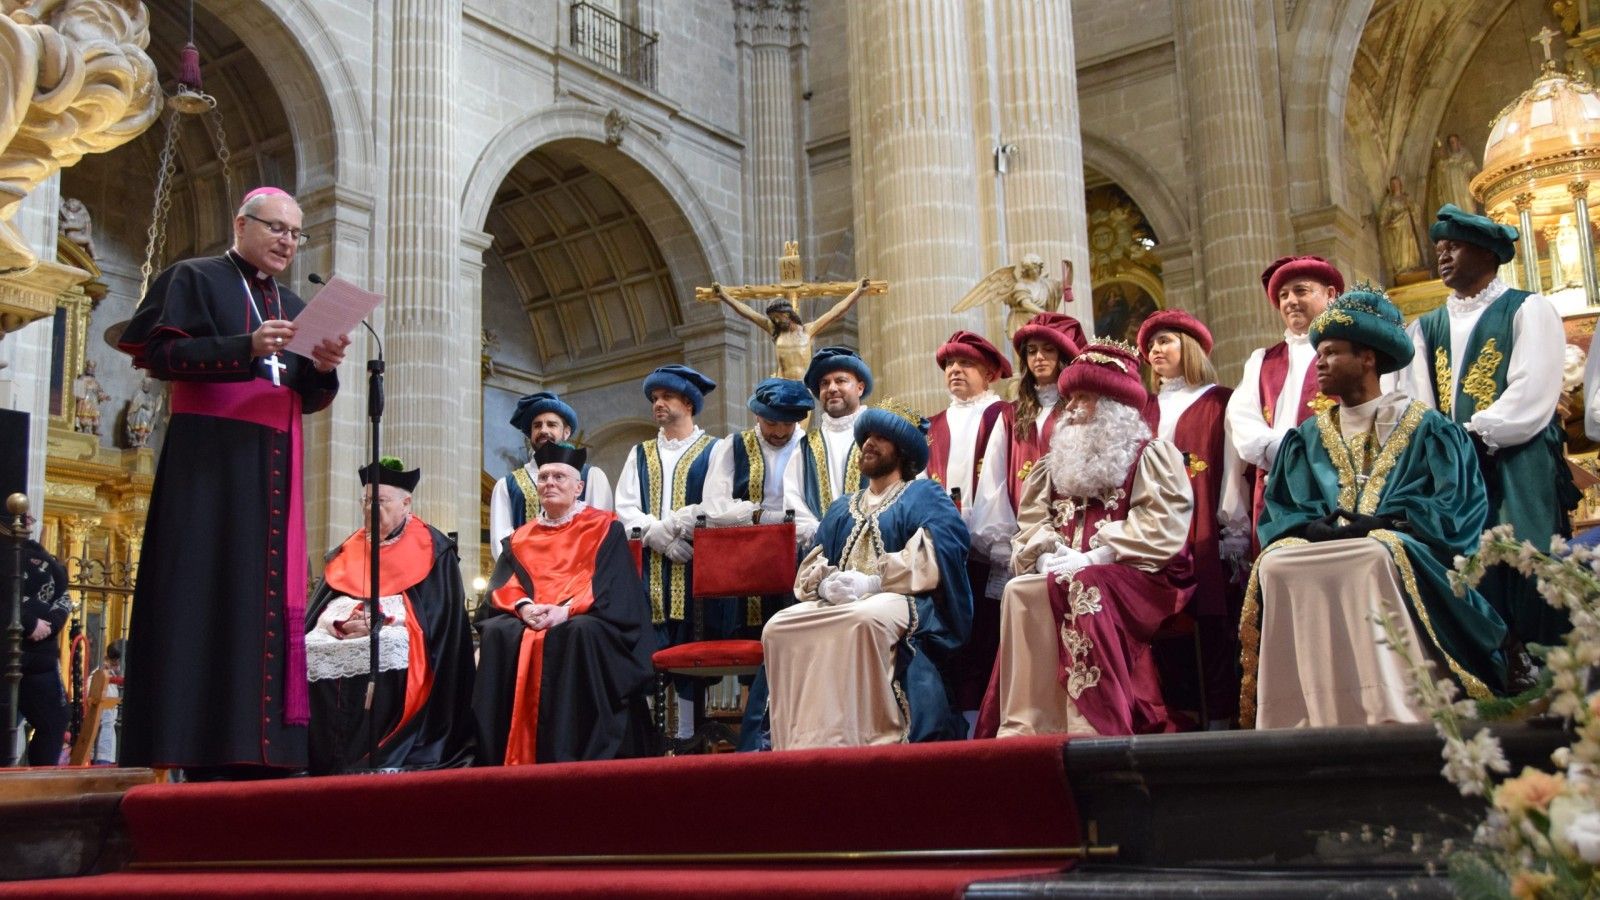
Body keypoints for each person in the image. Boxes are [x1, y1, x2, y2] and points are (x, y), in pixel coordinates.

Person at [116, 186, 351, 777]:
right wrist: (241, 348)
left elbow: (305, 392)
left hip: (274, 463)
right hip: (210, 465)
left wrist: (322, 369)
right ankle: (196, 746)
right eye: (276, 228)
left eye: (295, 234)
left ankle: (265, 749)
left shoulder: (296, 303)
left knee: (264, 598)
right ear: (241, 224)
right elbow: (161, 358)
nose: (287, 242)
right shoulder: (193, 278)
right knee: (206, 592)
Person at [1241, 287, 1508, 728]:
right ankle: (1300, 712)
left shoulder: (1428, 427)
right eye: (1318, 354)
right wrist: (1310, 528)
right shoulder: (1306, 438)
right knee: (1276, 565)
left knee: (1374, 553)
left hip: (1406, 547)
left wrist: (1390, 521)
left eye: (1331, 353)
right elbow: (1284, 507)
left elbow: (1456, 510)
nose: (1319, 363)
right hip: (1330, 544)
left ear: (1367, 358)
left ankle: (1394, 707)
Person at [977, 341, 1195, 739]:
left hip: (1138, 573)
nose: (1071, 407)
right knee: (1021, 590)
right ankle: (1029, 722)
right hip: (1066, 566)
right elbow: (1031, 522)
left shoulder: (1150, 454)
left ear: (1112, 407)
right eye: (1070, 397)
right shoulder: (1054, 462)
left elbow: (1162, 523)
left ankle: (1090, 722)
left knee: (1085, 585)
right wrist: (1043, 553)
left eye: (1084, 397)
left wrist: (1099, 555)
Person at [1398, 204, 1578, 651]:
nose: (1442, 255)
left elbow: (1531, 390)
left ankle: (1546, 665)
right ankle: (1491, 667)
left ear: (1486, 253)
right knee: (1464, 563)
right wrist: (1442, 446)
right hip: (1454, 467)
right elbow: (1417, 398)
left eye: (1453, 246)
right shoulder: (1425, 327)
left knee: (1527, 557)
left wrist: (1475, 433)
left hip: (1519, 457)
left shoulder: (1529, 309)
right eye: (1439, 248)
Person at [761, 401, 972, 749]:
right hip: (841, 602)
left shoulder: (923, 494)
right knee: (778, 626)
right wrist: (826, 582)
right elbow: (815, 561)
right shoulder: (842, 506)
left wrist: (874, 582)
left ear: (902, 451)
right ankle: (798, 737)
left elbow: (939, 551)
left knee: (864, 620)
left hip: (902, 598)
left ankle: (875, 735)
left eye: (881, 437)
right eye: (867, 436)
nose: (869, 443)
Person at [474, 442, 656, 764]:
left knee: (580, 633)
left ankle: (573, 750)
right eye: (543, 477)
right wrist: (524, 607)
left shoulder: (604, 526)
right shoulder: (520, 537)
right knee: (499, 634)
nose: (550, 483)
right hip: (532, 617)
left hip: (583, 616)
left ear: (578, 487)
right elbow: (502, 586)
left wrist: (566, 611)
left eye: (559, 477)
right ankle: (502, 754)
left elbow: (613, 586)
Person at [303, 458, 476, 774]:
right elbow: (328, 599)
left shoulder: (433, 547)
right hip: (346, 628)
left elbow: (437, 616)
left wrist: (382, 620)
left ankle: (384, 749)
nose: (369, 508)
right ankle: (329, 752)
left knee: (391, 645)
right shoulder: (350, 547)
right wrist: (342, 621)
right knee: (310, 647)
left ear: (406, 503)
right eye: (365, 501)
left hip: (402, 634)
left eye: (379, 501)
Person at [1137, 310, 1250, 727]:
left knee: (1210, 623)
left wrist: (1231, 526)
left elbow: (1234, 464)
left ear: (1192, 347)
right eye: (1150, 345)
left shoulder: (1221, 399)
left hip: (1201, 523)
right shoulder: (1142, 408)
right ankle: (1172, 718)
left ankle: (1219, 722)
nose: (1155, 350)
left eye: (1165, 340)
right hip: (1149, 529)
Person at [614, 364, 721, 744]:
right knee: (649, 643)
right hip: (649, 565)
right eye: (654, 398)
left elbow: (715, 504)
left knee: (691, 641)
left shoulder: (715, 449)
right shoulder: (640, 453)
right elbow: (624, 508)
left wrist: (678, 529)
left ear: (688, 403)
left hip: (695, 564)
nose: (658, 404)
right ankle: (654, 736)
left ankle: (691, 732)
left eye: (666, 397)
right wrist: (656, 535)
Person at [924, 330, 1016, 724]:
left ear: (990, 372)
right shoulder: (932, 424)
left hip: (988, 542)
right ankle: (957, 722)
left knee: (989, 637)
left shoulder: (1004, 414)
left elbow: (1005, 479)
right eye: (949, 365)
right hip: (945, 551)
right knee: (952, 640)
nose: (955, 371)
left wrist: (992, 538)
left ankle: (994, 721)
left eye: (966, 364)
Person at [1227, 256, 1344, 536]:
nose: (1290, 300)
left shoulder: (1348, 350)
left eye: (1300, 290)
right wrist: (1277, 449)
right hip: (1274, 482)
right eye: (1283, 295)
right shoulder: (1262, 360)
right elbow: (1240, 417)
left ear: (1330, 294)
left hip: (1333, 480)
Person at [700, 376, 814, 625]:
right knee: (743, 629)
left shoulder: (809, 447)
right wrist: (759, 516)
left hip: (796, 552)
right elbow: (714, 507)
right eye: (771, 422)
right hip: (745, 553)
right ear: (757, 416)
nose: (780, 432)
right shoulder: (735, 445)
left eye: (787, 423)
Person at [488, 391, 613, 560]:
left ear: (567, 432)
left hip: (579, 578)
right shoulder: (507, 486)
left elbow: (600, 534)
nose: (543, 430)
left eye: (552, 425)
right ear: (529, 434)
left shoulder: (591, 477)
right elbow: (500, 544)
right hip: (523, 580)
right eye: (537, 425)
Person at [781, 346, 873, 547]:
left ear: (860, 387)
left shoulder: (879, 435)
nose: (831, 388)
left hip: (875, 548)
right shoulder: (804, 446)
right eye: (824, 383)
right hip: (819, 552)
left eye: (840, 380)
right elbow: (792, 498)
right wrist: (823, 533)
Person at [0, 512, 69, 765]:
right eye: (21, 515)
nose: (29, 520)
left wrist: (49, 626)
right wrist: (29, 623)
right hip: (6, 654)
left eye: (29, 516)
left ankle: (40, 786)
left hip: (41, 658)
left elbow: (63, 599)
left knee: (55, 720)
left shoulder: (45, 559)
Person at [710, 278, 871, 381]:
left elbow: (835, 312)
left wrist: (857, 292)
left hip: (802, 387)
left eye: (777, 317)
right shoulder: (775, 330)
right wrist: (725, 296)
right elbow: (748, 313)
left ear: (787, 314)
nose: (775, 321)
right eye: (773, 318)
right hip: (782, 386)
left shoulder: (807, 331)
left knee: (800, 432)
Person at [1006, 313, 1085, 512]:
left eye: (1048, 349)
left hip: (1068, 512)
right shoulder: (1010, 414)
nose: (1039, 357)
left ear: (1063, 356)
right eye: (1031, 351)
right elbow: (996, 476)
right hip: (1022, 514)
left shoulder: (1079, 408)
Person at [90, 641, 125, 766]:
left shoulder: (114, 676)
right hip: (99, 743)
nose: (119, 668)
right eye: (115, 664)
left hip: (109, 742)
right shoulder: (101, 676)